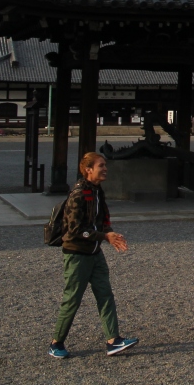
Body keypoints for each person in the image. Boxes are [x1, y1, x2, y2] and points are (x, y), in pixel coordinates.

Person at [47, 152, 138, 360]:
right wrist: (104, 236)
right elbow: (75, 230)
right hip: (77, 254)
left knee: (105, 294)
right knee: (72, 299)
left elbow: (102, 220)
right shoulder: (79, 194)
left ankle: (113, 340)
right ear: (88, 170)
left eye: (105, 165)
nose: (105, 169)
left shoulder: (97, 191)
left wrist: (111, 234)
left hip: (94, 252)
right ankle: (56, 342)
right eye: (101, 166)